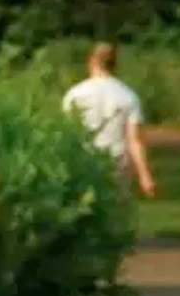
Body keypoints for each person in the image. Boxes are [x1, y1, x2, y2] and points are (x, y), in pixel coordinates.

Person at [62, 42, 157, 198]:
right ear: (115, 64)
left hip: (84, 160)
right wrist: (145, 176)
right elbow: (135, 140)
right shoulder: (128, 95)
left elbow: (66, 134)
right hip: (117, 161)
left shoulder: (75, 95)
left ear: (91, 61)